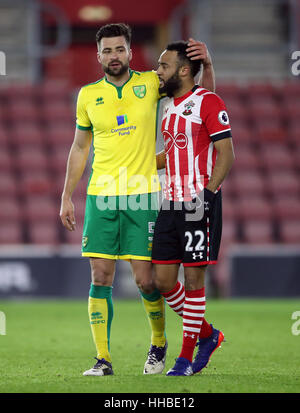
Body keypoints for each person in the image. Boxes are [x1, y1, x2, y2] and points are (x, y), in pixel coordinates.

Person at [59, 23, 216, 377]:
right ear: (98, 55)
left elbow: (199, 101)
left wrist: (209, 64)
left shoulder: (151, 84)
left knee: (147, 281)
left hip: (142, 195)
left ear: (130, 52)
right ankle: (103, 359)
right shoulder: (87, 95)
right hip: (101, 197)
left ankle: (158, 344)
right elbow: (80, 146)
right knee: (100, 276)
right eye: (107, 51)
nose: (114, 56)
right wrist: (67, 195)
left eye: (120, 49)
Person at [152, 41, 235, 376]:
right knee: (163, 280)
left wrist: (209, 194)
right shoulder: (169, 104)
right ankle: (207, 334)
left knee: (195, 277)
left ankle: (185, 359)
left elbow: (226, 154)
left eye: (164, 65)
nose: (158, 70)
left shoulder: (210, 101)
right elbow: (170, 153)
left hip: (197, 201)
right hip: (169, 201)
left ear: (184, 70)